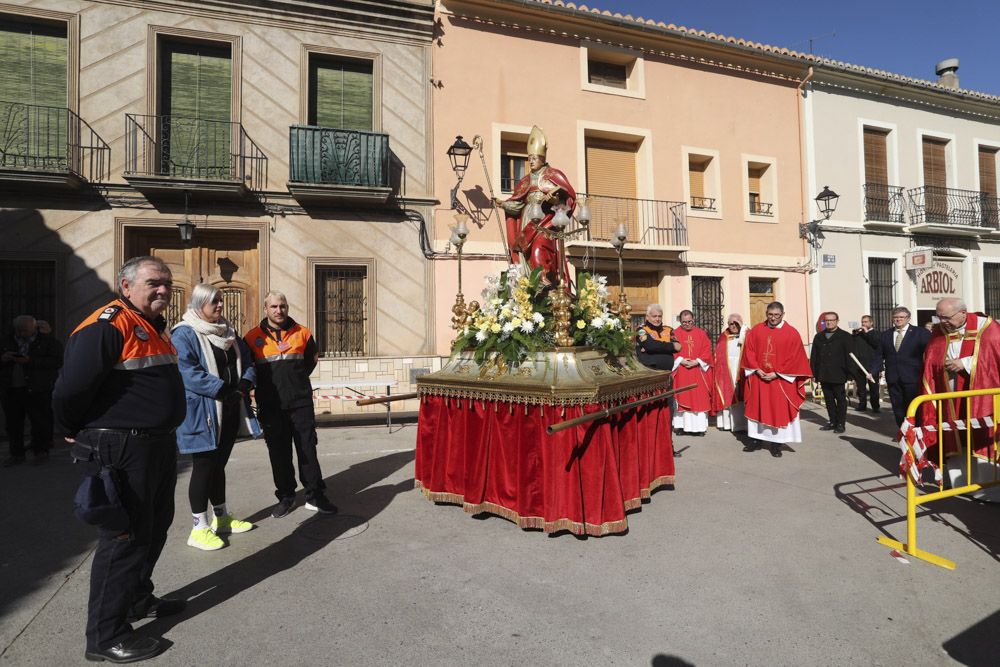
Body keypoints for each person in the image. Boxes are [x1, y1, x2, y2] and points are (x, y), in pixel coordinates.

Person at [52, 256, 186, 663]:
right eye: (153, 282)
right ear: (126, 286)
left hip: (156, 446)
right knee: (124, 538)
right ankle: (105, 636)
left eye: (166, 282)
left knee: (155, 527)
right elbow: (69, 389)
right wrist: (73, 427)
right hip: (122, 448)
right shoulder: (109, 324)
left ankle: (136, 599)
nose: (163, 289)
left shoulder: (151, 326)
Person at [172, 284, 262, 551]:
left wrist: (245, 384)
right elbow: (187, 372)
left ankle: (221, 519)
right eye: (215, 302)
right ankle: (199, 528)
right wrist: (222, 389)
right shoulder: (184, 333)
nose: (221, 305)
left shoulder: (228, 332)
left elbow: (246, 361)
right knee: (204, 466)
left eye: (221, 300)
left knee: (218, 465)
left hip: (231, 408)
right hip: (204, 412)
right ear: (199, 305)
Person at [245, 291, 337, 518]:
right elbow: (249, 369)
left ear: (287, 307)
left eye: (283, 306)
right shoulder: (251, 338)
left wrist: (294, 383)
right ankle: (286, 496)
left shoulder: (303, 333)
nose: (279, 311)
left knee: (307, 448)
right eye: (274, 306)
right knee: (279, 452)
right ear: (265, 309)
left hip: (300, 403)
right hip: (270, 405)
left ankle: (315, 495)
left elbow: (310, 362)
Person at [917, 297, 1000, 461]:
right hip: (950, 392)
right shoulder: (939, 330)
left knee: (979, 436)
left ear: (963, 313)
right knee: (952, 436)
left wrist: (966, 363)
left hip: (979, 393)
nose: (942, 321)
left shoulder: (988, 328)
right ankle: (958, 482)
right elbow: (931, 357)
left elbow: (995, 358)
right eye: (939, 317)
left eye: (947, 317)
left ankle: (983, 482)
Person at [493, 125, 576, 286]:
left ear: (542, 159)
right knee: (526, 253)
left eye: (534, 158)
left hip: (546, 221)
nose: (530, 161)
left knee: (539, 246)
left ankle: (543, 280)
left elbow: (566, 199)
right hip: (526, 220)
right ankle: (530, 285)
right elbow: (516, 206)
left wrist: (554, 200)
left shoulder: (554, 175)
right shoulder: (524, 181)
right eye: (529, 158)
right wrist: (502, 204)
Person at [739, 301, 811, 457]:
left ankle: (776, 444)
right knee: (758, 408)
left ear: (783, 315)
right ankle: (756, 441)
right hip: (759, 378)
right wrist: (757, 369)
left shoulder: (792, 333)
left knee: (778, 410)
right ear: (766, 314)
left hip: (781, 381)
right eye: (770, 315)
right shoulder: (757, 330)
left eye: (776, 315)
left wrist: (777, 373)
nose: (773, 318)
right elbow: (749, 351)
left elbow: (796, 358)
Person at [1, 315, 63, 466]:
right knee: (13, 423)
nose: (22, 334)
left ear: (34, 328)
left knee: (39, 420)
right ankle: (16, 453)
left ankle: (40, 451)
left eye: (25, 330)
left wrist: (30, 361)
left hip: (37, 387)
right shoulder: (7, 340)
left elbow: (56, 361)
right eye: (19, 331)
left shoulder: (48, 342)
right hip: (12, 387)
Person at [881, 306, 931, 428]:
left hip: (912, 377)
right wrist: (873, 370)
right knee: (898, 409)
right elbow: (879, 354)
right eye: (895, 317)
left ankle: (916, 432)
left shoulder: (921, 333)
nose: (898, 320)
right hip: (893, 378)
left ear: (908, 318)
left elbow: (930, 353)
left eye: (901, 317)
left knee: (913, 408)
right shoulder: (886, 335)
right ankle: (903, 431)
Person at [810, 312, 854, 434]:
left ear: (837, 321)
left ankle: (841, 423)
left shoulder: (845, 336)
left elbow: (850, 356)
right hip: (824, 373)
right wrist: (813, 373)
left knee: (840, 399)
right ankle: (832, 421)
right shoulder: (819, 336)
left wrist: (850, 374)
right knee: (828, 399)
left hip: (839, 373)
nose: (829, 322)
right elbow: (814, 356)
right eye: (827, 320)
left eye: (832, 320)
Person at [671, 310, 713, 435]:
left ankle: (699, 428)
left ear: (693, 320)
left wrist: (697, 361)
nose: (687, 324)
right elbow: (671, 350)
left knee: (698, 398)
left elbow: (707, 349)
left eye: (689, 321)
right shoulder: (674, 334)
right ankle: (681, 427)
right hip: (682, 371)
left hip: (697, 370)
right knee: (682, 395)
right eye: (684, 322)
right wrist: (681, 360)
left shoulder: (701, 333)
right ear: (680, 321)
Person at [713, 314, 748, 432]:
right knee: (727, 393)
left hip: (741, 370)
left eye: (735, 323)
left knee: (742, 395)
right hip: (727, 371)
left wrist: (743, 330)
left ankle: (743, 426)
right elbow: (718, 355)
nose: (733, 326)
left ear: (741, 323)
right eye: (730, 324)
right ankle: (726, 424)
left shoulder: (747, 335)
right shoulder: (724, 337)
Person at [851, 315, 881, 412]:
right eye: (862, 322)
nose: (864, 324)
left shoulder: (876, 333)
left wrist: (867, 333)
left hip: (872, 365)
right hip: (860, 364)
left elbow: (876, 344)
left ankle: (875, 407)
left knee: (874, 388)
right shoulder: (859, 334)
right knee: (861, 388)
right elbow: (853, 344)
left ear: (871, 323)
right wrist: (854, 333)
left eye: (866, 322)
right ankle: (862, 405)